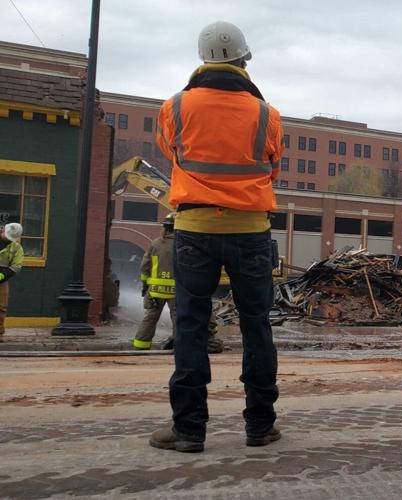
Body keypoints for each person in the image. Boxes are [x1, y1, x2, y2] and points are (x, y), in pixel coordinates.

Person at [148, 21, 283, 453]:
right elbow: (271, 166)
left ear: (203, 59)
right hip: (250, 231)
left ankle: (188, 429)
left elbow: (173, 152)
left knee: (189, 327)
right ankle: (260, 425)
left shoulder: (175, 107)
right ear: (245, 59)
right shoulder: (267, 114)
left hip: (194, 230)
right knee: (255, 325)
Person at [132, 214, 223, 353]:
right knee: (178, 318)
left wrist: (145, 284)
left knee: (149, 318)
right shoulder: (185, 245)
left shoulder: (155, 244)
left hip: (155, 291)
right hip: (177, 291)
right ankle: (178, 346)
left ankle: (140, 346)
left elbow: (145, 267)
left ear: (165, 227)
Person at [0, 223, 23, 337]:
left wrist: (2, 275)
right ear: (3, 229)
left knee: (1, 306)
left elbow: (16, 266)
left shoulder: (16, 247)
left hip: (2, 279)